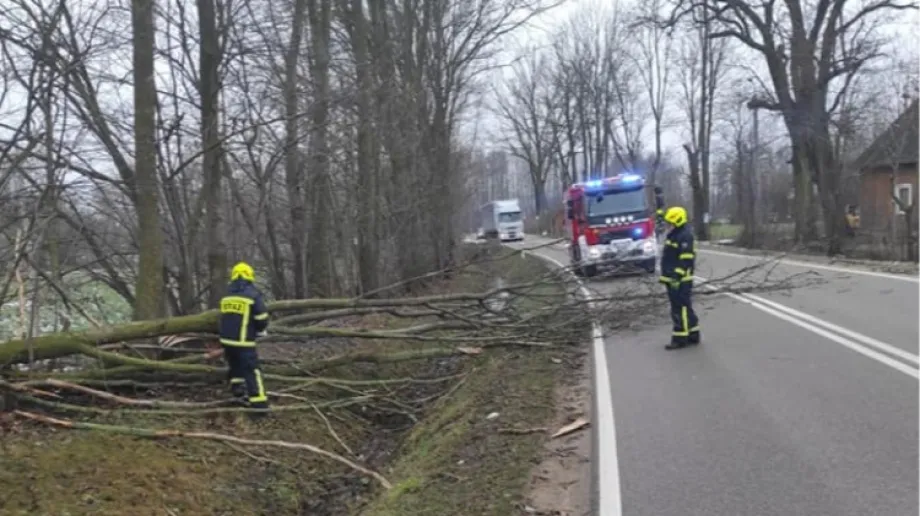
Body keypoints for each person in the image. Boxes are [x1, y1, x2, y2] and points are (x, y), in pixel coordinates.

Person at [218, 262, 270, 411]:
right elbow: (261, 318)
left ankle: (238, 391)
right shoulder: (252, 294)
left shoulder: (227, 294)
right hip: (244, 341)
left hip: (227, 340)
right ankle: (259, 403)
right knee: (252, 370)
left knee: (235, 366)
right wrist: (260, 330)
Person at [658, 206, 700, 350]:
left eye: (670, 223)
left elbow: (686, 259)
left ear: (677, 221)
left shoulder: (684, 236)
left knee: (679, 308)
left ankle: (680, 338)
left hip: (680, 279)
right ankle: (693, 334)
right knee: (685, 306)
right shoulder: (676, 234)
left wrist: (676, 276)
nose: (668, 226)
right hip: (674, 278)